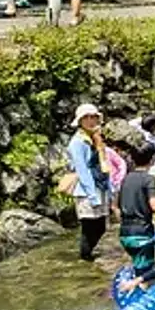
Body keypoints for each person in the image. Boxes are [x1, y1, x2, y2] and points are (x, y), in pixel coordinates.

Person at [116, 141, 155, 271]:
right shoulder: (149, 179)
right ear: (153, 158)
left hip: (125, 234)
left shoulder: (125, 179)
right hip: (142, 235)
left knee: (139, 267)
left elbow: (116, 206)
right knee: (146, 276)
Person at [65, 103, 112, 260]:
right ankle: (85, 258)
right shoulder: (77, 143)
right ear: (80, 121)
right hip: (87, 190)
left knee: (101, 226)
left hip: (101, 186)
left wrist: (109, 189)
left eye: (94, 117)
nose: (91, 121)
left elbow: (104, 164)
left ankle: (87, 255)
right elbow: (82, 170)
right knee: (90, 227)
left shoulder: (96, 139)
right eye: (87, 118)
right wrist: (92, 196)